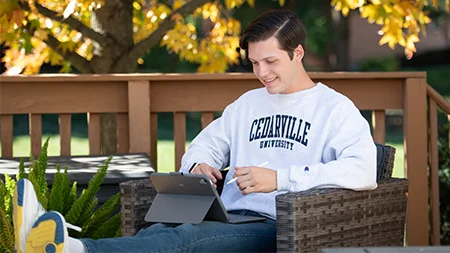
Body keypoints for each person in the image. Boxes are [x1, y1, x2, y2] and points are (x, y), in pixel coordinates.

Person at [13, 9, 377, 253]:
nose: (262, 72)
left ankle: (75, 249)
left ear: (297, 53)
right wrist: (200, 165)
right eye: (254, 62)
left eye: (271, 61)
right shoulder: (248, 104)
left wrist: (280, 178)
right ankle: (46, 238)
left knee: (186, 238)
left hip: (280, 226)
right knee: (160, 234)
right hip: (227, 213)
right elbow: (204, 145)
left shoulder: (334, 109)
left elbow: (363, 170)